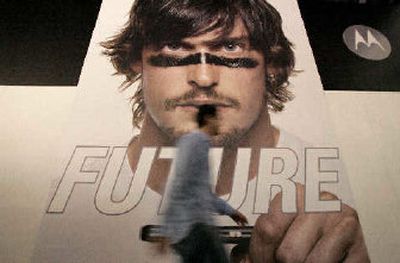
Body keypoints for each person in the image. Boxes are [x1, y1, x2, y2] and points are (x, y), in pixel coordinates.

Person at [102, 0, 370, 261]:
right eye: (175, 46)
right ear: (136, 58)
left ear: (273, 63)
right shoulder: (84, 193)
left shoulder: (349, 189)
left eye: (231, 47)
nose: (204, 78)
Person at [161, 104, 248, 263]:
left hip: (190, 229)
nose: (220, 123)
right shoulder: (196, 141)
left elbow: (203, 194)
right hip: (195, 228)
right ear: (208, 118)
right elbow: (180, 183)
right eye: (218, 119)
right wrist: (166, 227)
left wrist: (231, 211)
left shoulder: (197, 143)